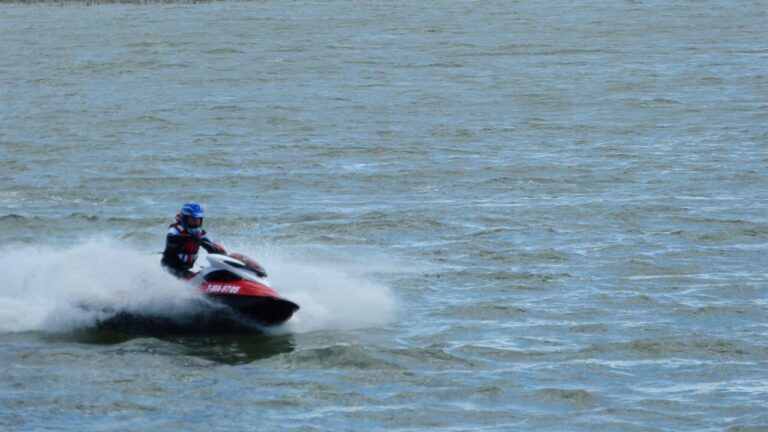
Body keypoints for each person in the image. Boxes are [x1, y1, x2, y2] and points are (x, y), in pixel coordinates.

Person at [161, 202, 227, 278]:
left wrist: (220, 252)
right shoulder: (176, 229)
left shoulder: (200, 233)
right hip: (169, 270)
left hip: (185, 271)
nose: (196, 223)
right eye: (192, 220)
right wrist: (189, 237)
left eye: (198, 220)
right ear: (185, 219)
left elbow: (211, 247)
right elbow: (171, 238)